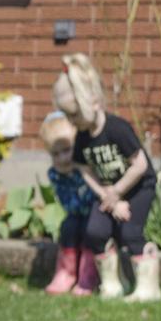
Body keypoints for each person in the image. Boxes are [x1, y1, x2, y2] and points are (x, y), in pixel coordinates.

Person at [51, 53, 161, 303]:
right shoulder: (82, 136)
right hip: (110, 192)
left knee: (130, 232)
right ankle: (112, 284)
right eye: (68, 117)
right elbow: (83, 168)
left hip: (138, 187)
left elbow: (140, 165)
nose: (72, 122)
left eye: (74, 116)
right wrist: (107, 197)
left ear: (94, 101)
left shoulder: (117, 129)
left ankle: (148, 288)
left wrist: (117, 193)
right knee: (95, 231)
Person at [39, 111, 98, 296]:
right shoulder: (56, 175)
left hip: (94, 213)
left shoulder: (88, 168)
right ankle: (66, 273)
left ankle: (88, 275)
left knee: (91, 229)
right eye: (55, 154)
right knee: (69, 227)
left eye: (67, 150)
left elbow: (95, 195)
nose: (62, 158)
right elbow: (67, 203)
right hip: (75, 212)